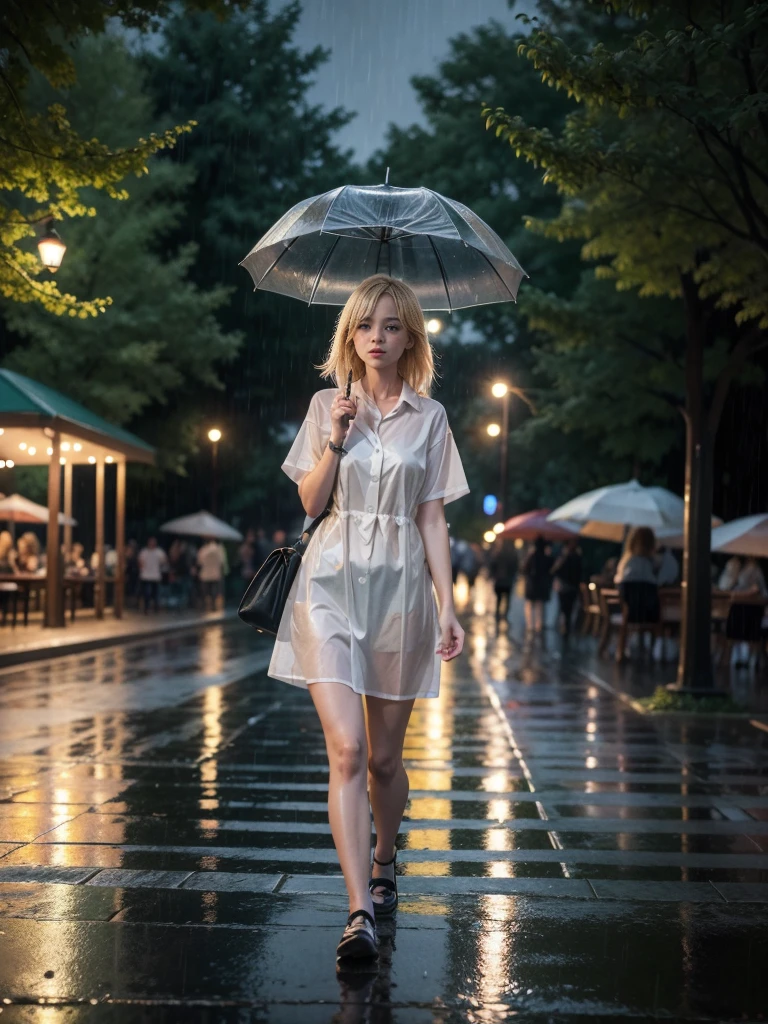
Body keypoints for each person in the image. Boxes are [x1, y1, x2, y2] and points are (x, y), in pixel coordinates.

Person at [268, 274, 468, 962]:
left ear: (410, 336)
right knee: (348, 751)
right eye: (363, 325)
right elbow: (308, 501)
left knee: (385, 759)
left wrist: (450, 606)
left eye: (390, 325)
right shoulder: (329, 404)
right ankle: (359, 911)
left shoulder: (431, 418)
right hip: (328, 584)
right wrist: (336, 439)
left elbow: (433, 516)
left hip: (401, 594)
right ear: (348, 335)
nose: (376, 337)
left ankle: (386, 856)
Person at [522, 535, 554, 634]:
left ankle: (531, 625)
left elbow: (524, 569)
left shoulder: (532, 556)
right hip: (541, 585)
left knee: (532, 605)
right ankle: (538, 625)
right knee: (539, 605)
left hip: (533, 584)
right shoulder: (546, 557)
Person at [552, 538, 583, 637]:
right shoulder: (567, 557)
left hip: (569, 587)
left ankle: (566, 627)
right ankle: (565, 626)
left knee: (567, 609)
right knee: (566, 609)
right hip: (566, 587)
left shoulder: (574, 557)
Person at [489, 538, 518, 622]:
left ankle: (498, 613)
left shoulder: (497, 553)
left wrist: (494, 575)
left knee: (499, 598)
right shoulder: (513, 554)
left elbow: (492, 566)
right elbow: (515, 567)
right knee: (507, 598)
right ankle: (505, 614)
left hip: (499, 580)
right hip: (508, 581)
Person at [138, 537, 167, 613]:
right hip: (147, 576)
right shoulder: (144, 552)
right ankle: (148, 608)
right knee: (148, 594)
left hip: (154, 576)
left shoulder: (158, 552)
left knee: (154, 594)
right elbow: (140, 563)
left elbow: (163, 562)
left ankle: (154, 608)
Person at [197, 536, 227, 610]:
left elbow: (199, 562)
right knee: (216, 592)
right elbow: (222, 562)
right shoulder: (219, 549)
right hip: (216, 574)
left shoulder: (203, 550)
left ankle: (208, 607)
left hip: (205, 574)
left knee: (207, 593)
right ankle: (216, 607)